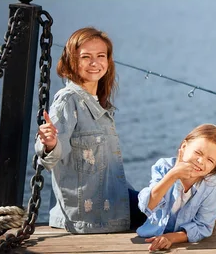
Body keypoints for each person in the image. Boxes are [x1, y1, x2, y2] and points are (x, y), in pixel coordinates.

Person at [35, 27, 145, 233]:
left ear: (108, 61)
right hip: (91, 213)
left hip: (114, 200)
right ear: (71, 61)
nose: (95, 63)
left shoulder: (97, 102)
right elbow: (49, 157)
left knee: (171, 195)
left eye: (100, 56)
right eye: (86, 57)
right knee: (170, 208)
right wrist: (49, 144)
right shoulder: (68, 100)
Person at [136, 124, 216, 251]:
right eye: (198, 152)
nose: (201, 161)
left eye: (210, 160)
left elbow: (203, 227)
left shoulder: (211, 187)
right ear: (184, 146)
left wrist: (171, 237)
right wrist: (173, 175)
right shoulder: (164, 167)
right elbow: (147, 206)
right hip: (147, 227)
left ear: (215, 166)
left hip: (180, 238)